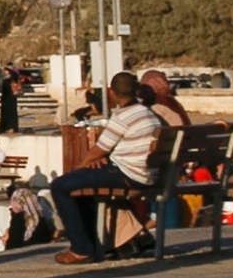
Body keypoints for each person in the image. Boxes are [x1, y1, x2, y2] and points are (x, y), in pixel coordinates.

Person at [48, 77, 165, 264]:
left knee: (61, 186)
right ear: (136, 90)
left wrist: (79, 169)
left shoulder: (123, 116)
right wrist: (101, 161)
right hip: (144, 173)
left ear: (111, 92)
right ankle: (93, 244)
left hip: (129, 174)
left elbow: (97, 150)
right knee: (79, 187)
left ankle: (81, 249)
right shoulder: (148, 114)